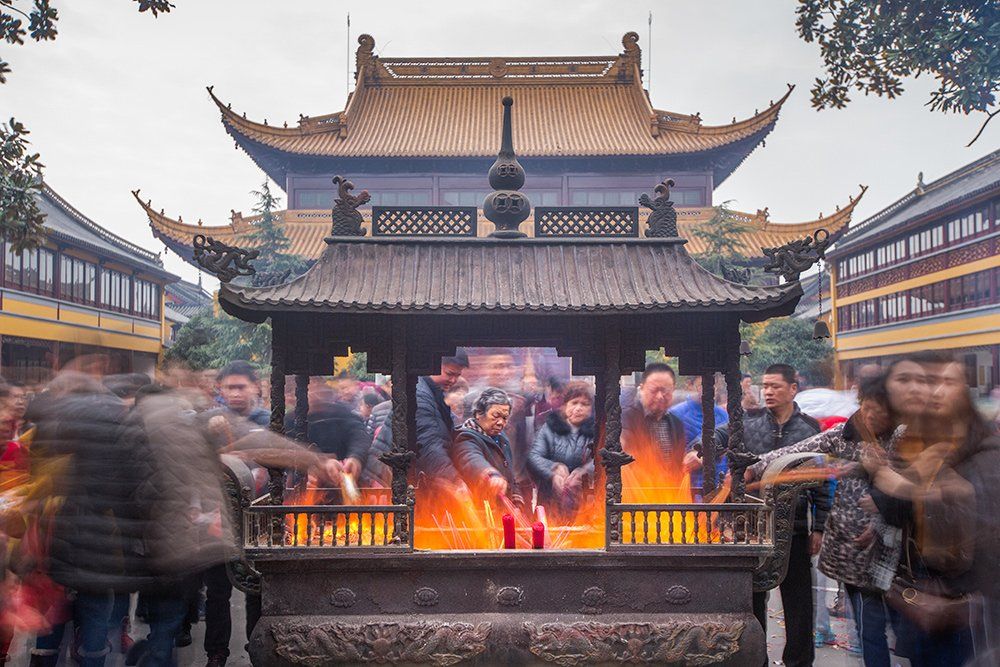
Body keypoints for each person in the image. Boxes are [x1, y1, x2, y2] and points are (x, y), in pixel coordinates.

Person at [746, 370, 910, 667]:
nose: (871, 415)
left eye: (879, 410)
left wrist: (877, 511)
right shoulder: (844, 434)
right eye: (867, 407)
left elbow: (912, 490)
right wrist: (756, 467)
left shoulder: (903, 438)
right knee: (868, 623)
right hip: (851, 546)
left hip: (893, 547)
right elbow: (794, 453)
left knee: (901, 626)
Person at [865, 354, 1000, 666]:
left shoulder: (984, 451)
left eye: (946, 382)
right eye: (931, 382)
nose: (933, 392)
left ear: (966, 392)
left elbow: (982, 525)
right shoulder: (917, 442)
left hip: (969, 605)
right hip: (923, 594)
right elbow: (899, 512)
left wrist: (891, 481)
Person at [699, 363, 829, 667]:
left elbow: (822, 484)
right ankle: (755, 659)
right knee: (753, 599)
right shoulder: (750, 423)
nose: (768, 392)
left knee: (798, 601)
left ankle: (799, 661)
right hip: (750, 527)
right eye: (765, 386)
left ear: (793, 389)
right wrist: (702, 449)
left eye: (775, 386)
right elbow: (717, 435)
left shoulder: (809, 430)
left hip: (793, 527)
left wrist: (820, 527)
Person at [526, 381, 595, 520]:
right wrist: (553, 468)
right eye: (574, 403)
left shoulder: (597, 430)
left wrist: (585, 471)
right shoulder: (550, 428)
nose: (578, 408)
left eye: (584, 404)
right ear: (564, 406)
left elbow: (601, 458)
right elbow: (534, 456)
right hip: (550, 499)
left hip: (584, 501)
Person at [450, 388, 522, 508]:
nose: (501, 422)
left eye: (505, 418)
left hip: (503, 511)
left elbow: (510, 475)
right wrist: (490, 475)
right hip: (480, 512)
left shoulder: (502, 438)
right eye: (496, 415)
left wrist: (516, 499)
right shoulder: (465, 437)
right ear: (479, 413)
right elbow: (470, 458)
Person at [621, 364, 687, 474]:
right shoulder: (626, 418)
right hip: (637, 487)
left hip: (669, 488)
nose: (660, 396)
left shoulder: (676, 423)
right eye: (654, 390)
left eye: (665, 391)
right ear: (641, 389)